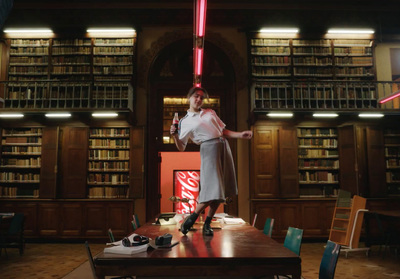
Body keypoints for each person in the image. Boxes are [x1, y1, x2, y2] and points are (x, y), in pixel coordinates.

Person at [170, 86, 252, 236]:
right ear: (189, 97)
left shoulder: (210, 112)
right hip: (208, 148)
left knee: (220, 188)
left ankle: (207, 223)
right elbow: (181, 147)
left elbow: (223, 132)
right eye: (196, 96)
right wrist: (175, 136)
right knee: (212, 187)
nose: (199, 99)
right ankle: (192, 217)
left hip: (223, 146)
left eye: (201, 97)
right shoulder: (184, 121)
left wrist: (241, 135)